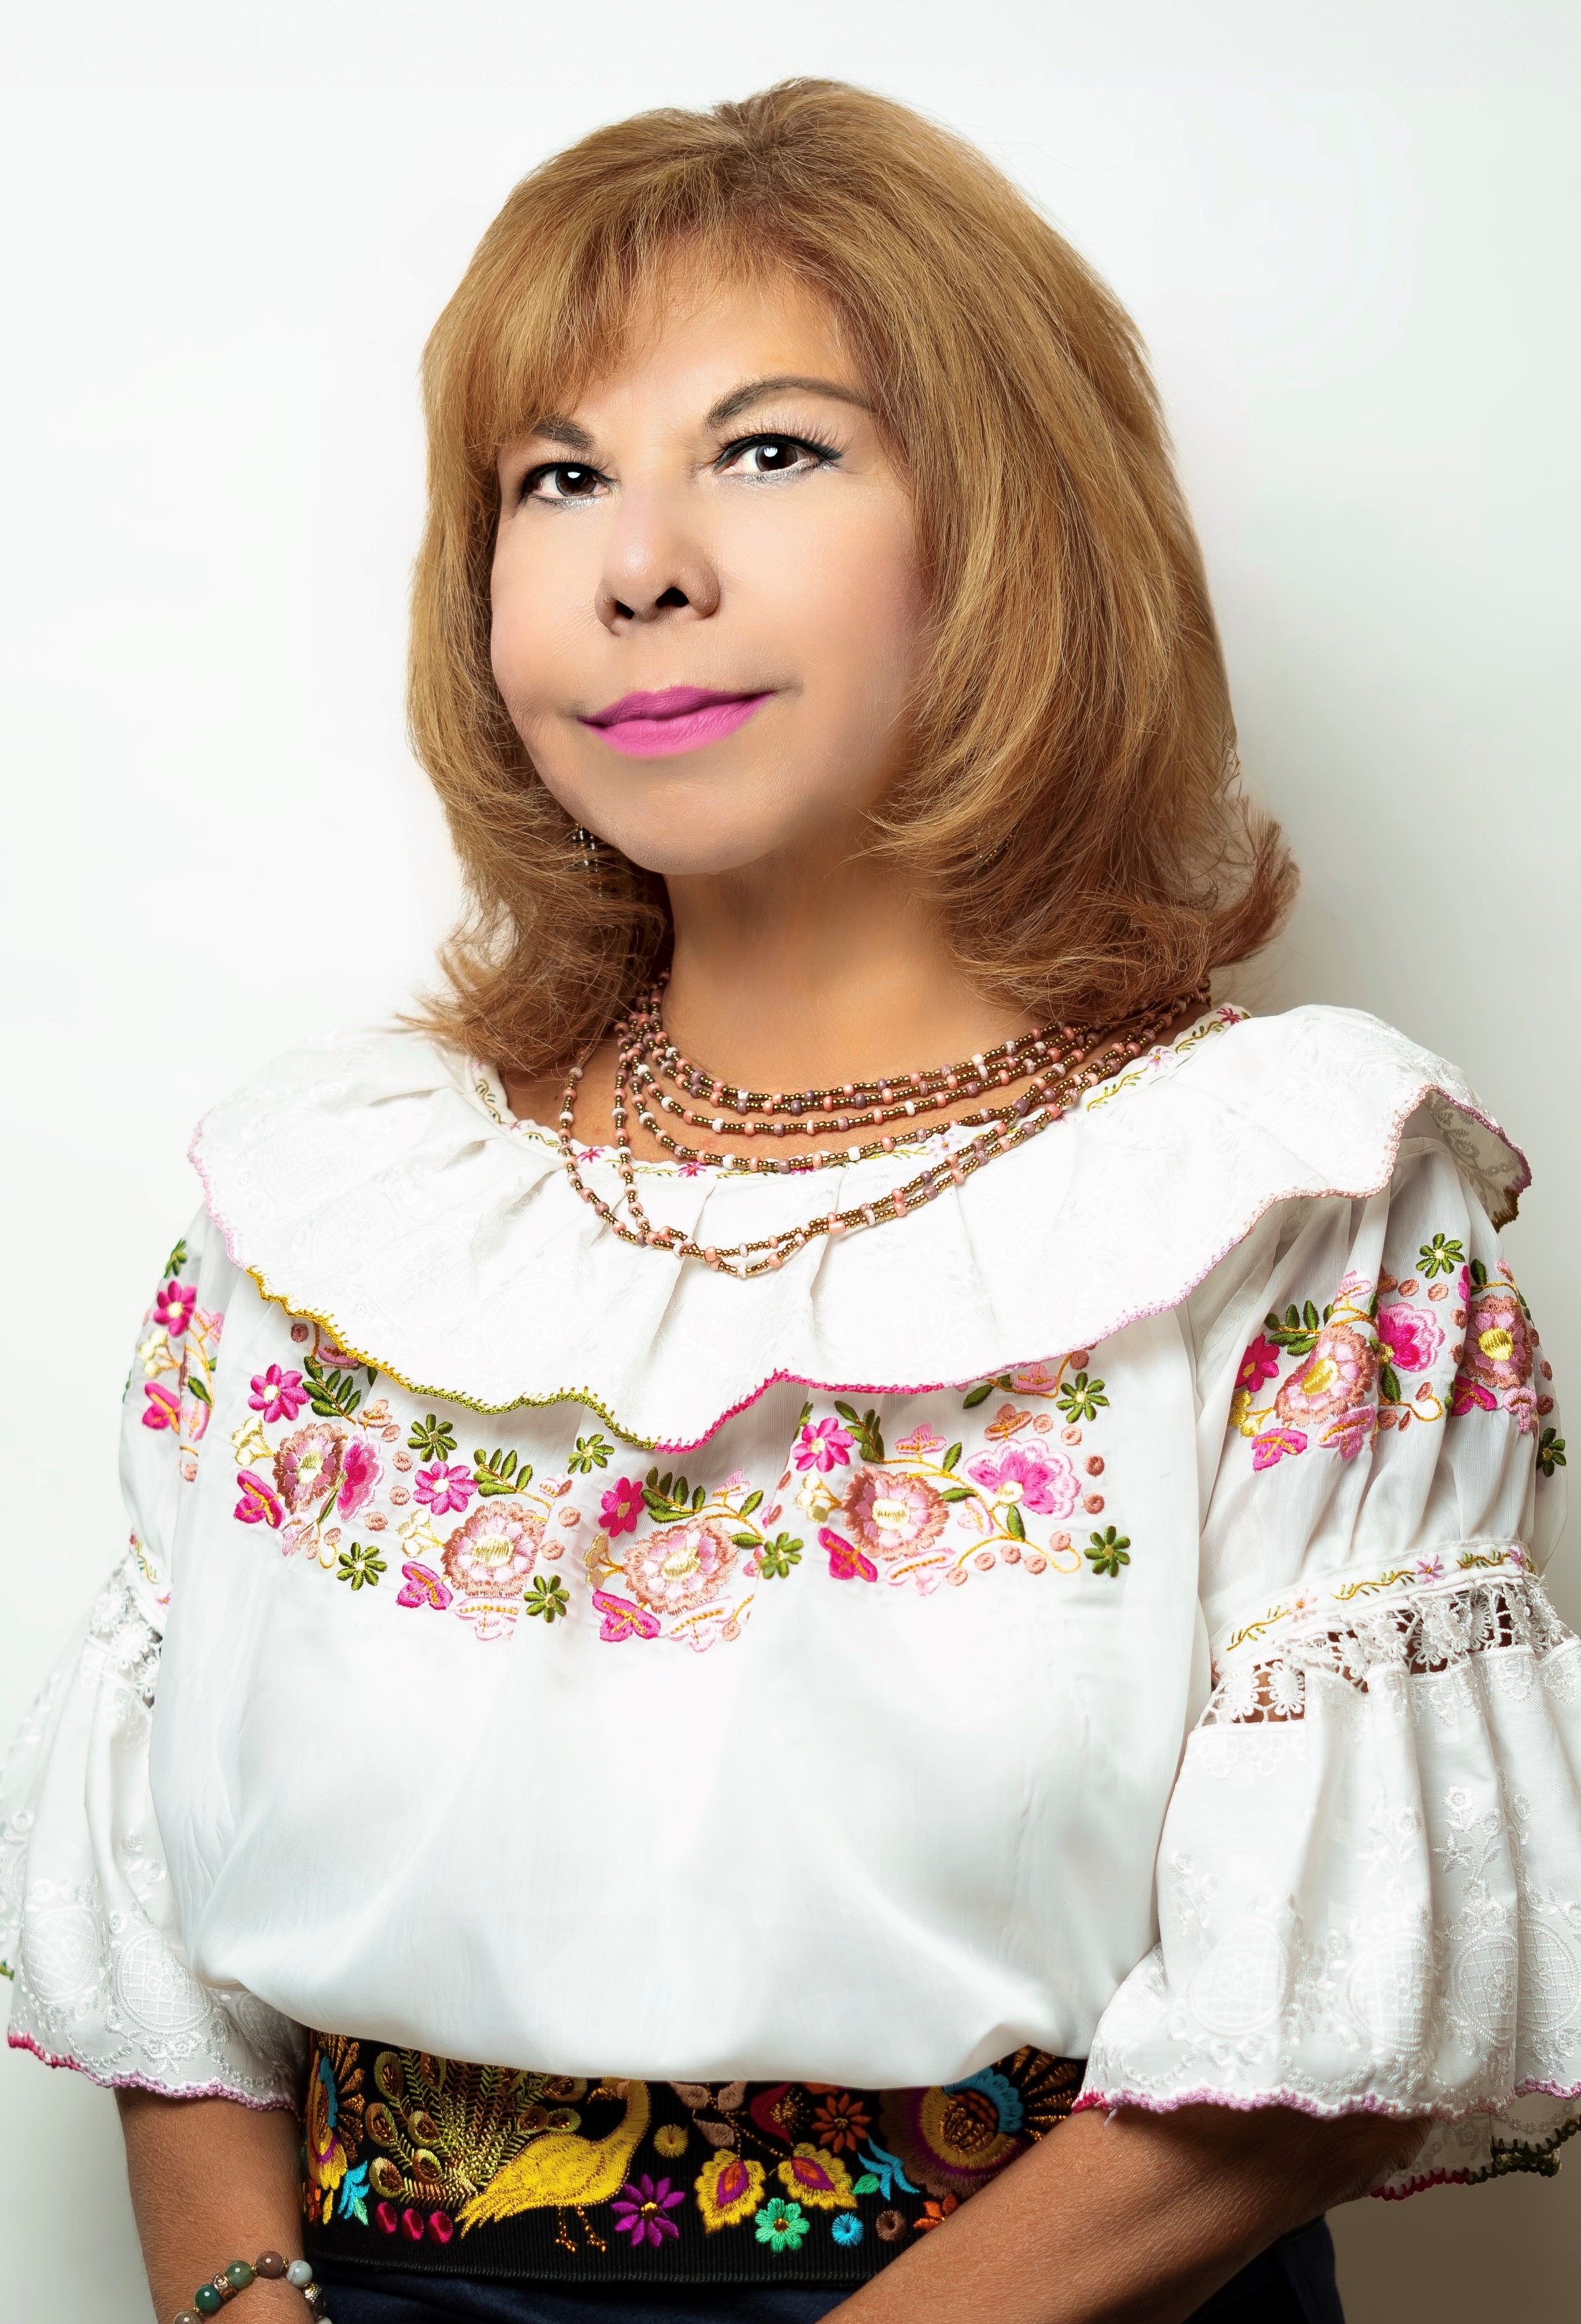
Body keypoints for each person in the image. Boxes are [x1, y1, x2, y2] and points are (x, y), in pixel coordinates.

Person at [3, 77, 1576, 2324]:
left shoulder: (1284, 1196)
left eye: (770, 450)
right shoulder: (341, 1197)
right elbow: (158, 1920)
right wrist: (244, 2310)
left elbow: (1327, 2029)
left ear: (1006, 533)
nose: (639, 565)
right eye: (557, 478)